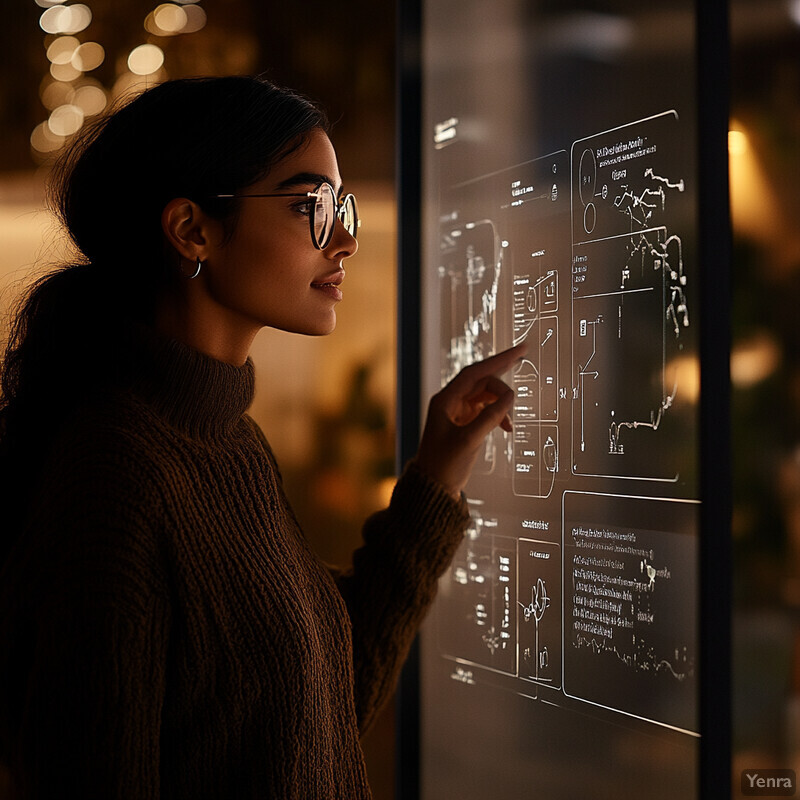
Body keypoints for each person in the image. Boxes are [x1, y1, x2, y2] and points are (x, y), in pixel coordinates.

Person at [0, 75, 522, 799]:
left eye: (341, 207)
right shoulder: (116, 483)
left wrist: (437, 476)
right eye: (310, 205)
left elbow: (310, 719)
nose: (343, 238)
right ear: (192, 229)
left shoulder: (229, 442)